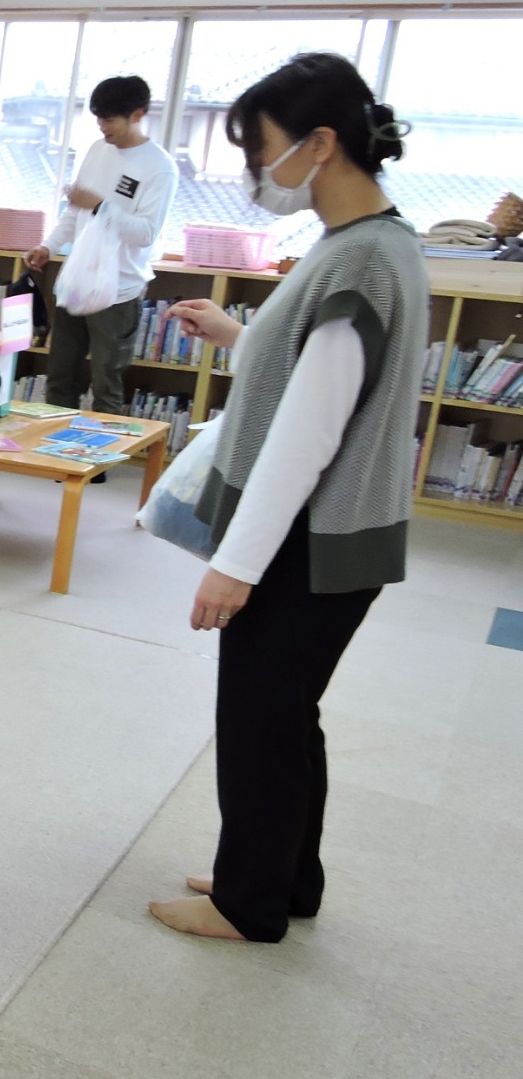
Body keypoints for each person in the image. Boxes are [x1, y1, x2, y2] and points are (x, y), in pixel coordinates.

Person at [150, 53, 425, 943]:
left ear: (321, 144)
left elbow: (306, 438)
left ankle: (248, 903)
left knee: (261, 718)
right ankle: (281, 875)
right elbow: (314, 372)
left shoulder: (358, 265)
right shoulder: (374, 244)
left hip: (313, 540)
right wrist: (239, 334)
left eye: (258, 152)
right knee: (288, 715)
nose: (253, 175)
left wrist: (234, 567)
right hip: (342, 539)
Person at [24, 75, 178, 419]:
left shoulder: (159, 167)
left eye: (109, 119)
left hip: (118, 289)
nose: (101, 127)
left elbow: (145, 233)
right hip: (77, 279)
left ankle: (97, 470)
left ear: (137, 114)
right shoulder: (96, 150)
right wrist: (49, 246)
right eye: (97, 118)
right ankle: (56, 459)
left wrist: (99, 205)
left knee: (106, 381)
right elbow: (74, 210)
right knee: (60, 374)